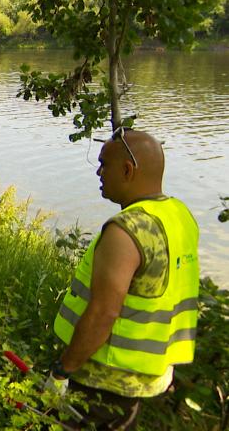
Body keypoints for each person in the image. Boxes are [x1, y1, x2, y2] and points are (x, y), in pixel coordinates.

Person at [48, 128, 200, 430]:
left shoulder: (126, 230)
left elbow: (104, 313)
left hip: (102, 379)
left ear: (128, 170)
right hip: (146, 376)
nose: (99, 172)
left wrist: (62, 371)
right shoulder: (179, 215)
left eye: (104, 164)